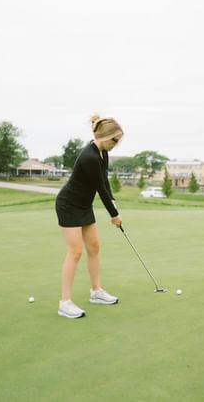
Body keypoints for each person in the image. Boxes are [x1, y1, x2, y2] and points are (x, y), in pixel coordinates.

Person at [55, 114, 124, 318]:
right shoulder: (90, 157)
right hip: (68, 205)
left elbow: (105, 182)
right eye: (115, 140)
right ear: (105, 137)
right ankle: (64, 302)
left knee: (94, 247)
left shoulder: (102, 153)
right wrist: (114, 215)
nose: (116, 145)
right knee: (75, 252)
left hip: (84, 205)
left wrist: (114, 206)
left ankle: (96, 292)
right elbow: (100, 189)